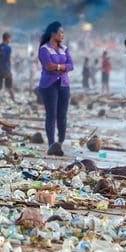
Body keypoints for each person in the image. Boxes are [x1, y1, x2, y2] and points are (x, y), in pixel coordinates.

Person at [37, 21, 73, 156]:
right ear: (53, 33)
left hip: (64, 84)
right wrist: (62, 67)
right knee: (51, 115)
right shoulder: (44, 49)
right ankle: (51, 144)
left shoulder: (65, 48)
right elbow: (48, 66)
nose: (63, 35)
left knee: (62, 115)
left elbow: (71, 65)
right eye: (61, 32)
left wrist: (58, 66)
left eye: (63, 32)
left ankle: (60, 143)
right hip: (49, 85)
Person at [0, 32, 15, 103]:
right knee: (9, 86)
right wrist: (10, 69)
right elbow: (8, 59)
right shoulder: (8, 48)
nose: (10, 40)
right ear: (7, 39)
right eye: (10, 39)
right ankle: (13, 99)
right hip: (6, 69)